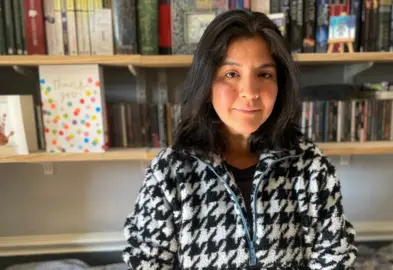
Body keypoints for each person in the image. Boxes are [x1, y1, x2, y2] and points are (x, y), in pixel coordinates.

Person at [123, 9, 356, 270]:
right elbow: (146, 262)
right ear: (207, 81)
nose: (249, 92)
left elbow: (335, 258)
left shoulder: (310, 167)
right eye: (231, 74)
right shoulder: (169, 173)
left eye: (264, 74)